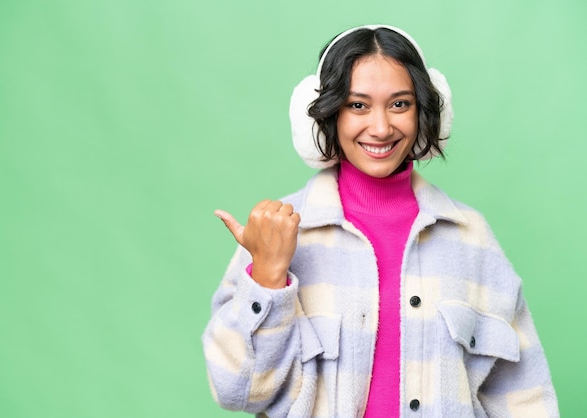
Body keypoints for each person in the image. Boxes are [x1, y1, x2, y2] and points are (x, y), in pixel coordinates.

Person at [202, 24, 559, 417]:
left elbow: (525, 397)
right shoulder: (281, 235)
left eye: (400, 104)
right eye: (358, 105)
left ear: (424, 109)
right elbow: (236, 391)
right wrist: (268, 279)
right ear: (327, 113)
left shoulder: (470, 236)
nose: (381, 127)